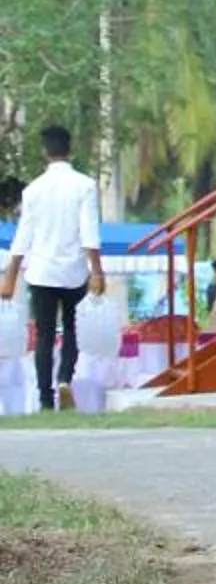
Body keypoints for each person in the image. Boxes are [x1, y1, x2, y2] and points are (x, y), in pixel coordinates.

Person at [0, 125, 104, 410]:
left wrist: (10, 276)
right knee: (72, 329)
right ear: (70, 150)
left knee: (44, 334)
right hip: (74, 272)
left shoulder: (33, 190)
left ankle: (46, 398)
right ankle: (65, 380)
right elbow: (89, 233)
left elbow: (23, 236)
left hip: (41, 272)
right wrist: (97, 271)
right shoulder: (85, 185)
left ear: (45, 153)